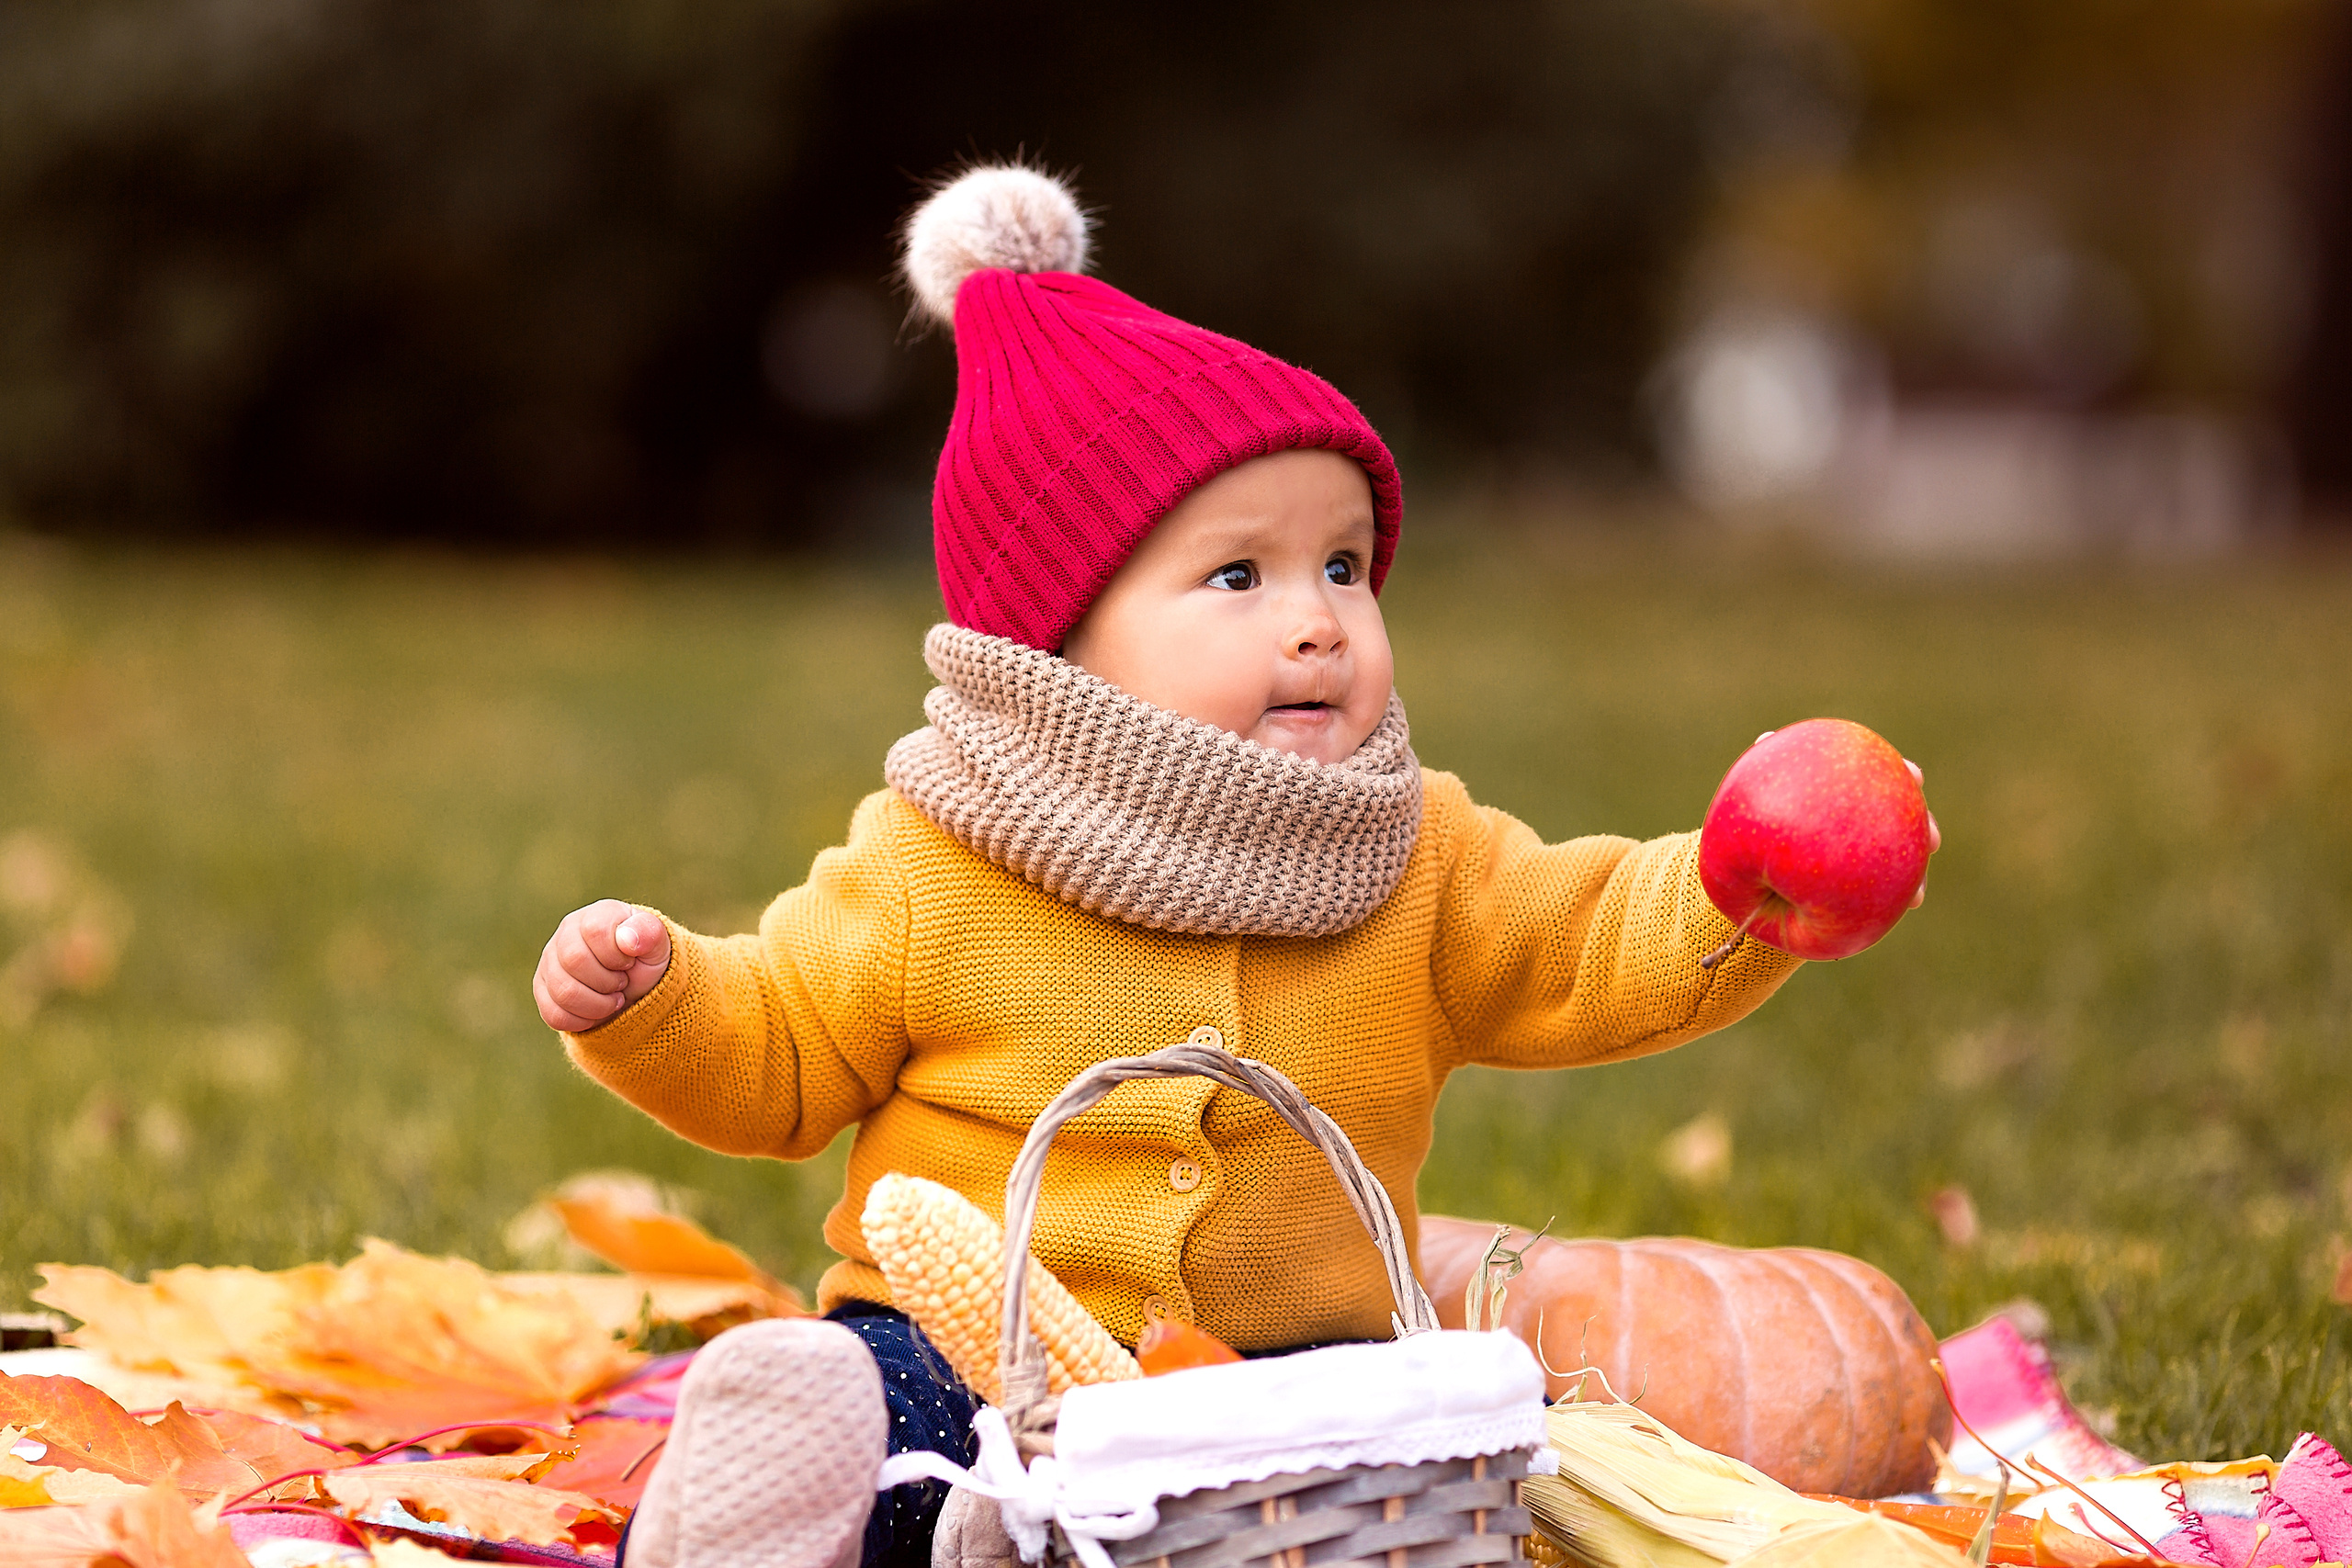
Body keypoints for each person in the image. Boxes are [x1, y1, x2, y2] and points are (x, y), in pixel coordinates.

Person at [531, 165, 1934, 1568]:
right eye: (1239, 578)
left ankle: (1014, 1539)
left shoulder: (1413, 850)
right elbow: (780, 1048)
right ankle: (868, 1496)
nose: (1319, 622)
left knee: (1355, 1490)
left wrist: (1740, 888)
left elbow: (1584, 937)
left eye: (1343, 567)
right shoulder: (941, 854)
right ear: (1059, 640)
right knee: (899, 1407)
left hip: (1287, 1385)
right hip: (987, 1352)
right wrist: (654, 1002)